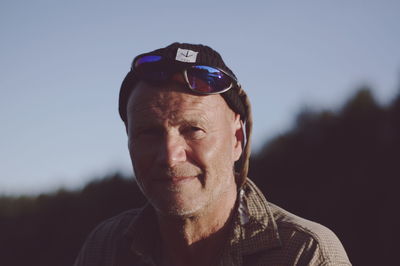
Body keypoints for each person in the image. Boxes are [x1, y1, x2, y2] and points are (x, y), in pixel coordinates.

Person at [74, 42, 351, 266]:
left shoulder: (304, 254)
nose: (170, 157)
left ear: (237, 140)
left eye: (193, 129)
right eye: (149, 133)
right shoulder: (106, 249)